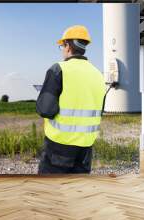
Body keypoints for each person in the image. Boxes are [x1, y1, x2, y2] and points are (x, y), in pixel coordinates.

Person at [36, 25, 106, 174]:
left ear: (68, 46)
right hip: (86, 147)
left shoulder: (58, 69)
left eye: (62, 46)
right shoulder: (98, 75)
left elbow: (45, 109)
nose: (62, 49)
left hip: (59, 145)